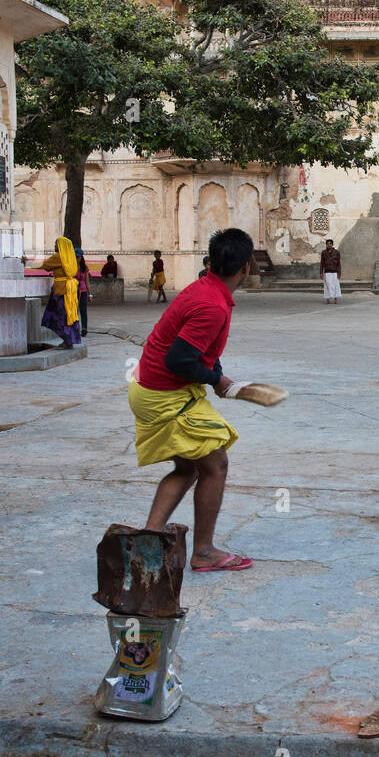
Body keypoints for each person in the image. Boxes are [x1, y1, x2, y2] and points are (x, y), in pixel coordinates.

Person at [128, 228, 255, 572]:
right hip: (163, 393)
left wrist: (215, 371)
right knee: (215, 463)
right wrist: (217, 379)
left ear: (211, 262)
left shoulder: (204, 289)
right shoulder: (211, 304)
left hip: (156, 388)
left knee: (188, 468)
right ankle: (203, 552)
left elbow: (197, 350)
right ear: (246, 267)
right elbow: (179, 359)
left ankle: (149, 540)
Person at [37, 236, 80, 349]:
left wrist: (26, 261)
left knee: (58, 316)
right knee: (69, 315)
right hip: (70, 290)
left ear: (61, 246)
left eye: (56, 244)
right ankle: (69, 340)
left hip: (61, 290)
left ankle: (67, 341)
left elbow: (44, 266)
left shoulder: (58, 257)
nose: (55, 246)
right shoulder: (70, 257)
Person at [320, 239, 342, 305]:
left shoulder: (337, 252)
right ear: (326, 245)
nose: (329, 245)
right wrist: (321, 272)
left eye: (330, 244)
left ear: (332, 244)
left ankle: (336, 299)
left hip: (335, 272)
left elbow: (339, 263)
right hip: (327, 272)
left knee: (336, 286)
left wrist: (339, 272)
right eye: (328, 244)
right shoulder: (324, 253)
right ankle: (327, 299)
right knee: (327, 286)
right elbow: (322, 263)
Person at [75, 251, 90, 338]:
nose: (77, 259)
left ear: (81, 257)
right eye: (75, 257)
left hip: (83, 291)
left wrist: (89, 294)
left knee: (83, 310)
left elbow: (87, 282)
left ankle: (84, 328)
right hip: (73, 291)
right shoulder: (71, 267)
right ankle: (75, 328)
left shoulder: (85, 268)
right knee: (74, 311)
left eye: (78, 257)